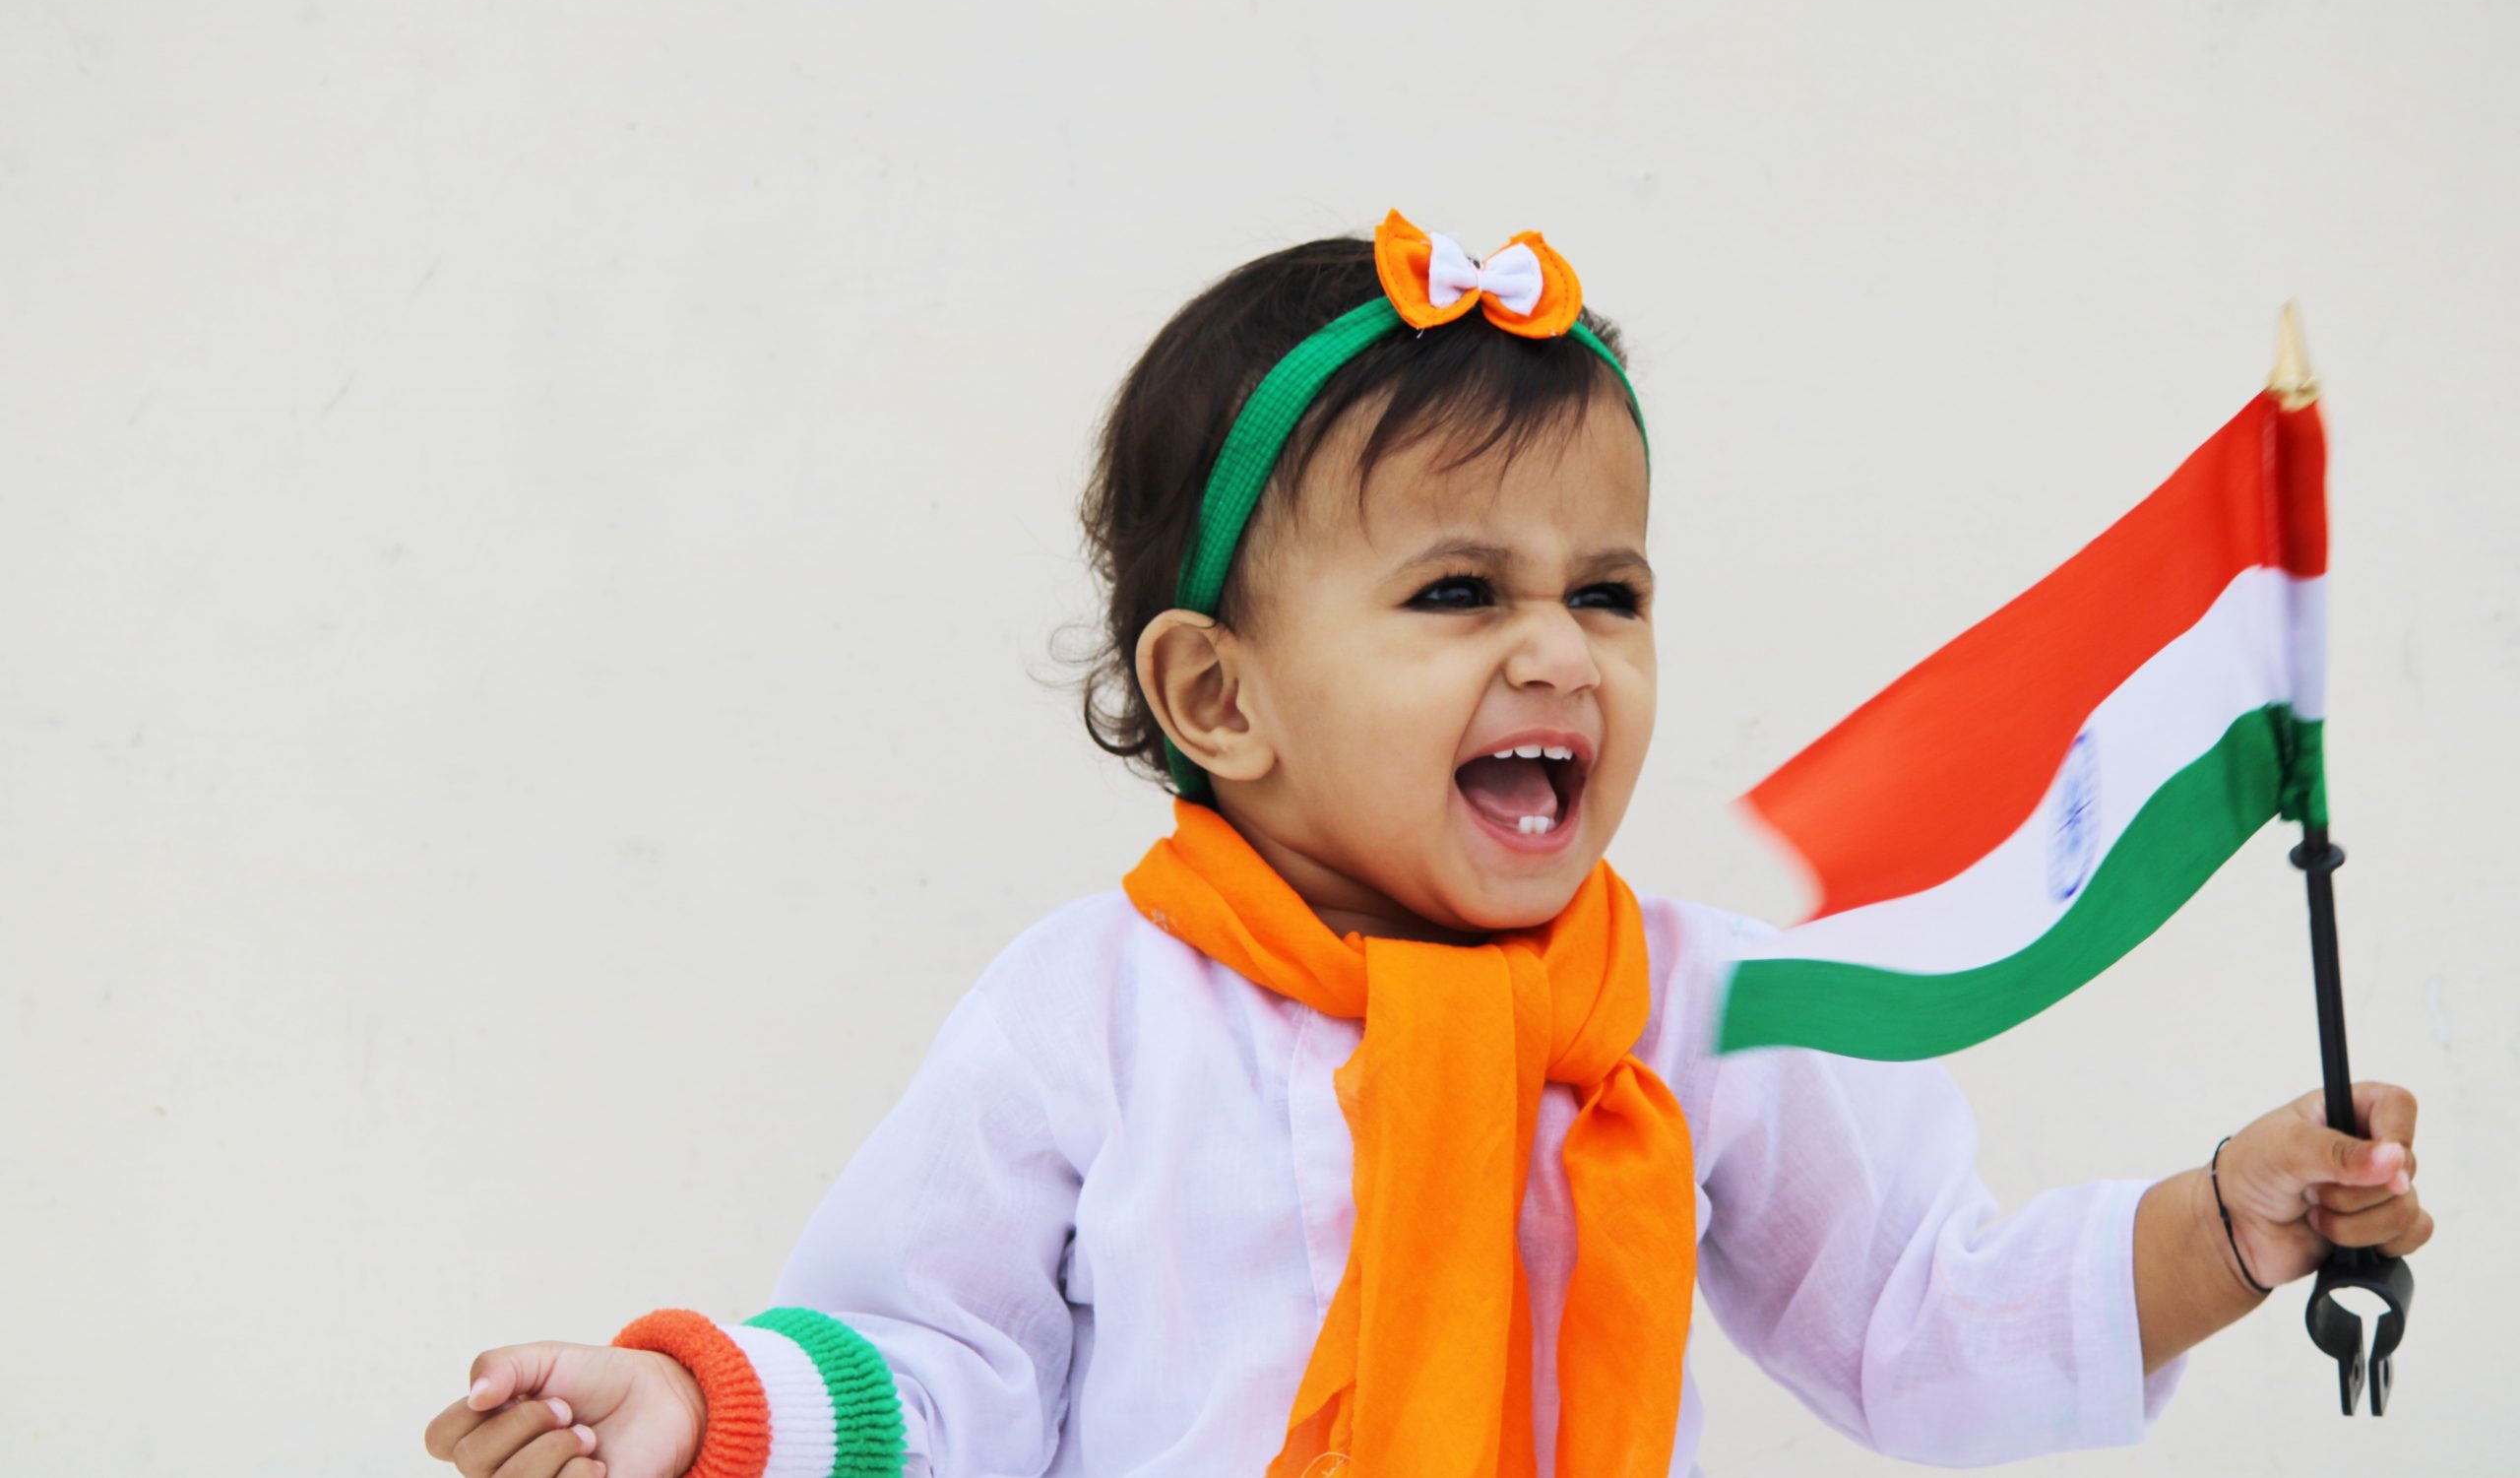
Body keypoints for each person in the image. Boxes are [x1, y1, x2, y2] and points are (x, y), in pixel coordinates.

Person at [421, 212, 2432, 1478]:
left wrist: (2221, 1223)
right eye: (1458, 591)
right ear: (1219, 696)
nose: (1558, 646)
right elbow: (937, 1362)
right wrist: (704, 1406)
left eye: (1610, 591)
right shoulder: (1095, 1014)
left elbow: (1913, 1309)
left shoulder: (1694, 1000)